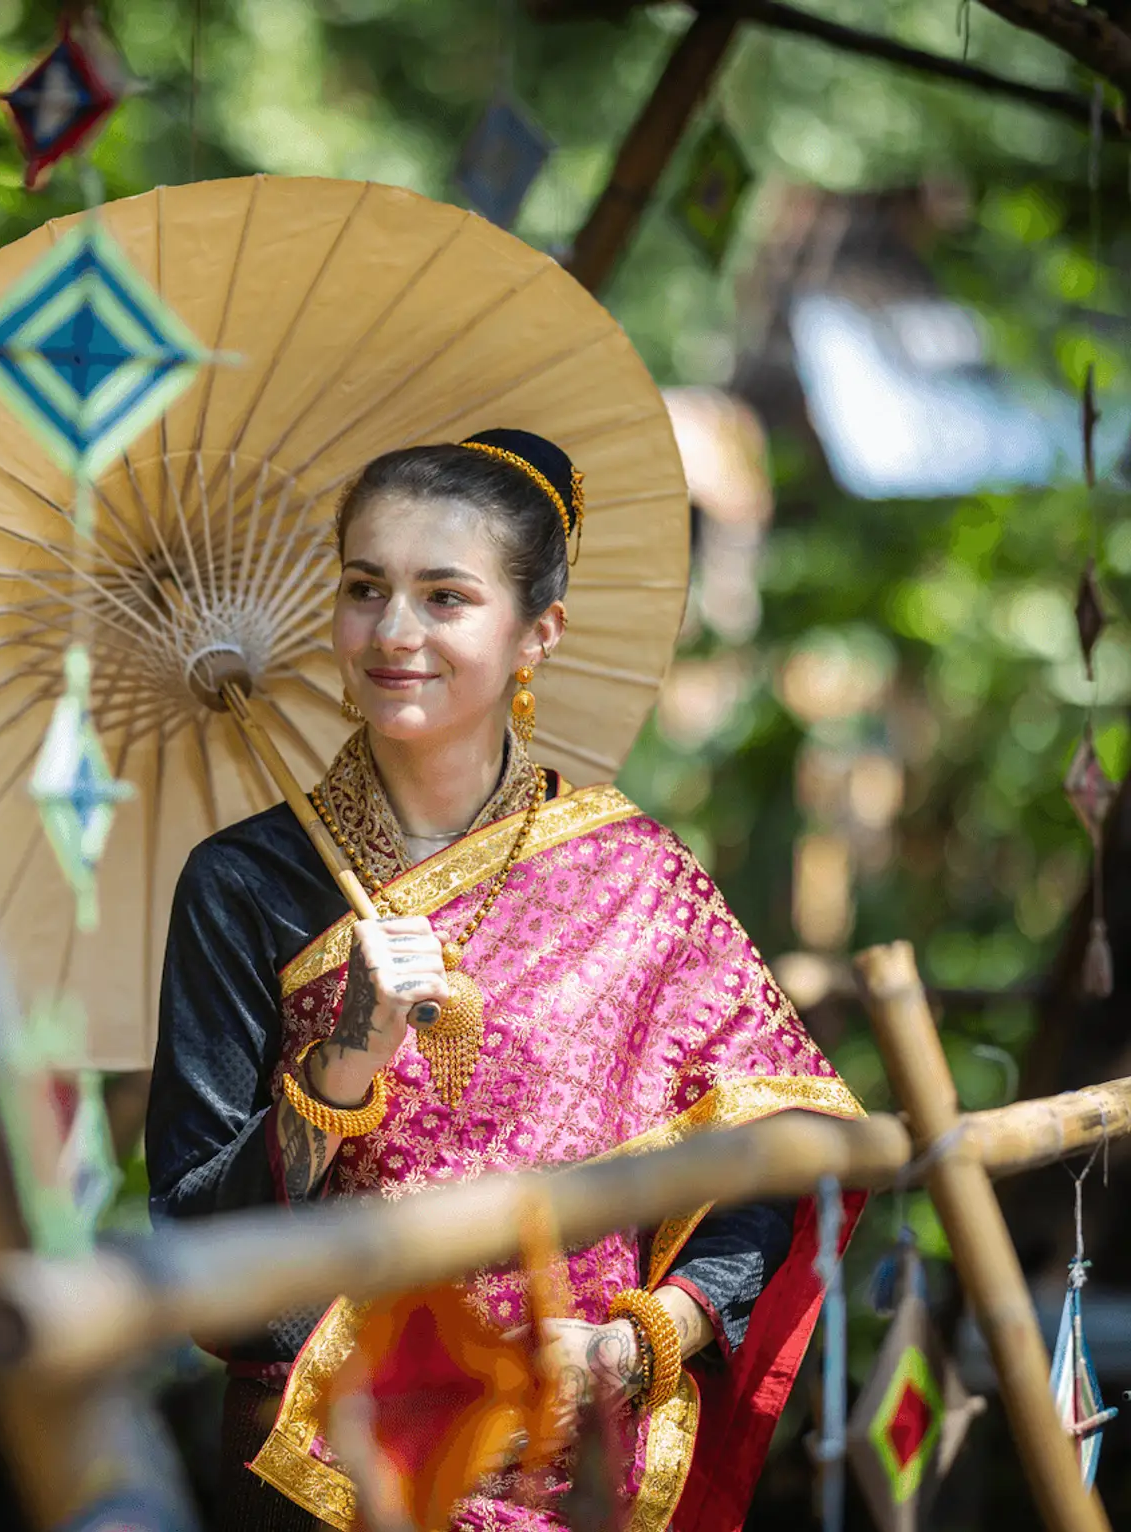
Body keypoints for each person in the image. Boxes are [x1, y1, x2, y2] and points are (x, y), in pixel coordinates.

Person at [145, 429, 861, 1532]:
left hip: (580, 1471)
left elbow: (772, 1151)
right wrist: (339, 1068)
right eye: (364, 587)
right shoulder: (241, 883)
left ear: (537, 632)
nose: (393, 632)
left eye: (445, 597)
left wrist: (642, 1338)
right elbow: (196, 1239)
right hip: (326, 1472)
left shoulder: (640, 877)